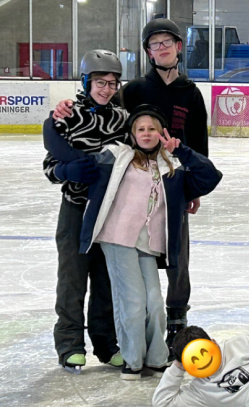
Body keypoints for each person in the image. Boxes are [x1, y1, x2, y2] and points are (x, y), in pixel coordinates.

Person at [52, 19, 209, 360]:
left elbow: (199, 142)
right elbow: (96, 119)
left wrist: (193, 188)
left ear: (179, 47)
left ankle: (171, 321)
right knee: (94, 273)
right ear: (148, 51)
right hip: (118, 199)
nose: (162, 48)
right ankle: (85, 343)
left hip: (167, 188)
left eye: (168, 42)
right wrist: (60, 117)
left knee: (171, 259)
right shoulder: (134, 91)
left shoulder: (191, 92)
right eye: (155, 44)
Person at [79, 106, 222, 380]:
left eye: (152, 129)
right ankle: (132, 360)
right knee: (132, 301)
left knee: (155, 302)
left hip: (149, 242)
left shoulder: (172, 164)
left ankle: (156, 359)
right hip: (117, 238)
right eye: (140, 129)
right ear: (132, 134)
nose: (146, 133)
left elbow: (209, 177)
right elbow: (79, 166)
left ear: (161, 133)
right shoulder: (117, 156)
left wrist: (182, 151)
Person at [42, 49, 129, 374]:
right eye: (100, 82)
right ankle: (70, 346)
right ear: (86, 81)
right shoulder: (69, 115)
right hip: (75, 210)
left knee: (106, 281)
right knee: (72, 278)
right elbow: (49, 166)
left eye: (112, 83)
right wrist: (67, 172)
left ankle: (106, 345)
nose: (106, 89)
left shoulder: (121, 119)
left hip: (109, 212)